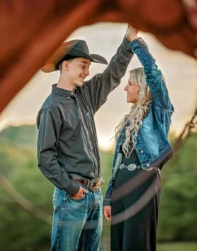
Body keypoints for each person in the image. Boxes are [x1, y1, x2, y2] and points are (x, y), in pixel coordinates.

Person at [36, 28, 134, 251]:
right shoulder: (51, 108)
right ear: (66, 65)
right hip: (72, 197)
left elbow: (112, 74)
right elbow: (45, 158)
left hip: (95, 195)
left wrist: (128, 40)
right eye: (83, 65)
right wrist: (71, 188)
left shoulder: (86, 96)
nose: (87, 72)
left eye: (88, 68)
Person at [103, 26, 174, 251]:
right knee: (118, 245)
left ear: (143, 88)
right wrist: (109, 196)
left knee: (136, 244)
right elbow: (118, 161)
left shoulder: (159, 112)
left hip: (143, 184)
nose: (125, 88)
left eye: (130, 84)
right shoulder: (127, 121)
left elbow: (153, 71)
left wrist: (134, 41)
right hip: (122, 187)